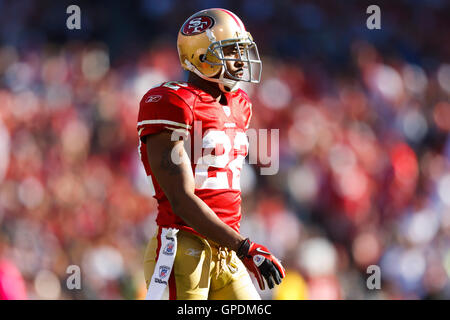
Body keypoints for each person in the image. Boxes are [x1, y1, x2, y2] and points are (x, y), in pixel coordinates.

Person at [137, 8, 285, 300]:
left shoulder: (240, 104)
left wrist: (236, 246)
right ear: (201, 58)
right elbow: (181, 200)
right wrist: (244, 246)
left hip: (226, 249)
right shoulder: (172, 102)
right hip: (182, 245)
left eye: (241, 50)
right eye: (230, 51)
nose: (240, 61)